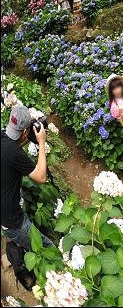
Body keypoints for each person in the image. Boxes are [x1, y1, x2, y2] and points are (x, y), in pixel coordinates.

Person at [1, 105, 53, 250]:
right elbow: (41, 178)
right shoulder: (14, 153)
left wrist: (29, 138)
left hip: (3, 209)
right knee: (48, 249)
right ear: (25, 131)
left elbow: (13, 148)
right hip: (12, 220)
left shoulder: (4, 138)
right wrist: (42, 142)